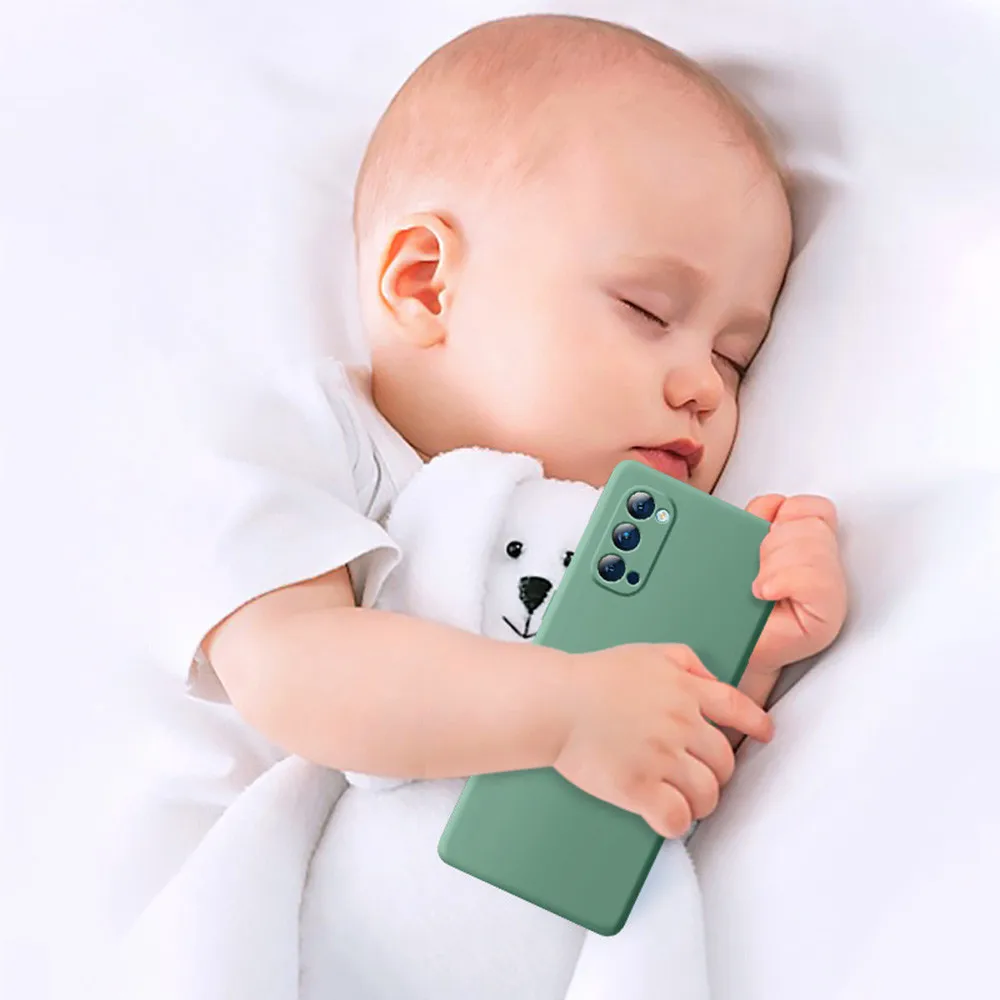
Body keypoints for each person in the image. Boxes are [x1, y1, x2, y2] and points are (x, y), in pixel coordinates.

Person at [165, 13, 847, 847]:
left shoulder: (634, 537)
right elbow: (290, 667)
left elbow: (669, 777)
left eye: (734, 356)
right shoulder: (309, 442)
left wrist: (752, 648)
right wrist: (565, 714)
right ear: (426, 285)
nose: (703, 386)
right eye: (647, 310)